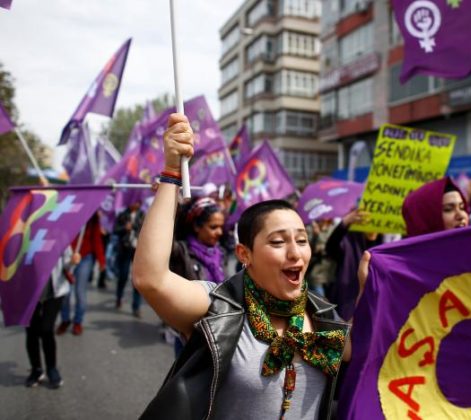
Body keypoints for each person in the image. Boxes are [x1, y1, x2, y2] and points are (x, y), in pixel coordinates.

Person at [132, 114, 351, 419]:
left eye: (301, 240)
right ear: (244, 254)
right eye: (277, 242)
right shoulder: (220, 307)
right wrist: (171, 174)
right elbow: (150, 278)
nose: (295, 253)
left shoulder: (325, 316)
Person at [169, 196, 226, 356]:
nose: (219, 232)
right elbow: (161, 237)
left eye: (221, 227)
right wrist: (169, 202)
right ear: (196, 226)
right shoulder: (181, 252)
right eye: (213, 227)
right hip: (191, 337)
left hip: (219, 333)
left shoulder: (219, 253)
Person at [325, 209, 382, 320]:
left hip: (370, 307)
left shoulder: (383, 245)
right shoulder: (348, 242)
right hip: (345, 304)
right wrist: (345, 223)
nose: (373, 229)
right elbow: (331, 247)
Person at [25, 251, 71, 389]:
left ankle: (52, 368)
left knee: (46, 329)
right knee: (31, 331)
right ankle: (36, 369)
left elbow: (67, 263)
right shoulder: (21, 232)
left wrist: (73, 261)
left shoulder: (57, 232)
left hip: (54, 291)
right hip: (28, 290)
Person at [57, 212, 106, 335]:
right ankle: (65, 319)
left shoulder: (92, 216)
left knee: (80, 291)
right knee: (65, 292)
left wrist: (101, 260)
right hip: (66, 257)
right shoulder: (65, 212)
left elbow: (96, 238)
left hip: (85, 258)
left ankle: (78, 321)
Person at [114, 202, 144, 317]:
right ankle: (119, 297)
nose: (136, 203)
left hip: (138, 250)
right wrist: (124, 228)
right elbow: (115, 229)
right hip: (125, 249)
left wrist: (136, 227)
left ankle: (136, 307)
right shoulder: (122, 214)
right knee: (123, 275)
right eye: (134, 201)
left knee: (137, 279)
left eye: (138, 201)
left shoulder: (143, 215)